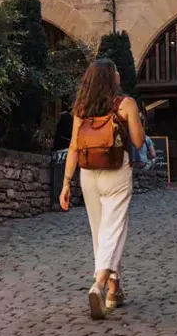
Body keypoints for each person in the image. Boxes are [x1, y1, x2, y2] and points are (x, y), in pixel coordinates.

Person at [59, 58, 146, 319]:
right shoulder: (126, 104)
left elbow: (74, 147)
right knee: (114, 230)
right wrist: (138, 118)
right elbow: (139, 141)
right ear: (111, 78)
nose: (119, 73)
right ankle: (98, 285)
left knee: (101, 234)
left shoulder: (82, 108)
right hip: (116, 172)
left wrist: (66, 183)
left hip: (88, 175)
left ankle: (113, 289)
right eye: (116, 70)